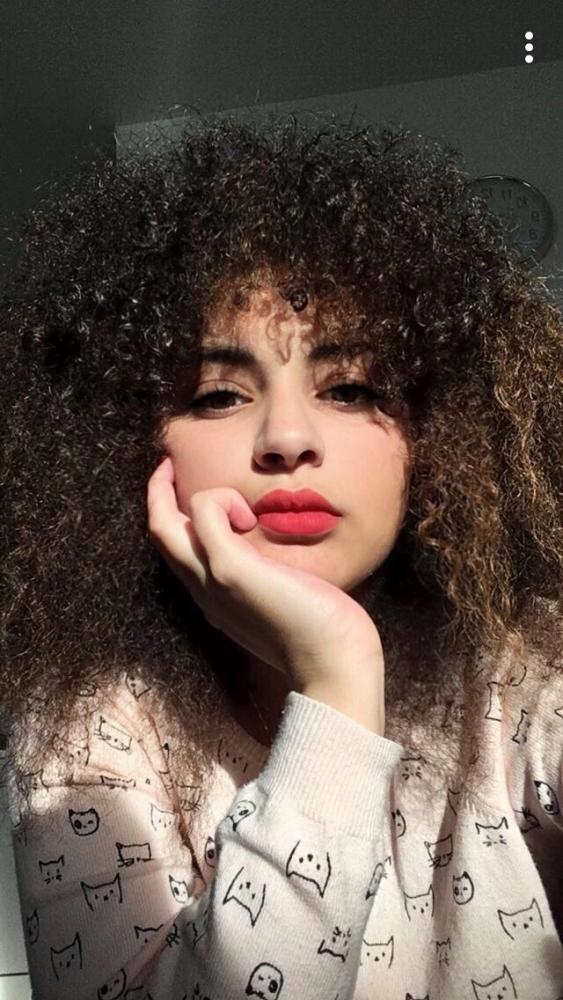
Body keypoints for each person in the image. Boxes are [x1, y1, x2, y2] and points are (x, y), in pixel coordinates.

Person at [0, 111, 562, 999]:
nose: (288, 438)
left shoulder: (529, 667)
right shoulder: (84, 723)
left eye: (350, 387)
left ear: (436, 433)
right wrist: (336, 679)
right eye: (218, 395)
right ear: (121, 445)